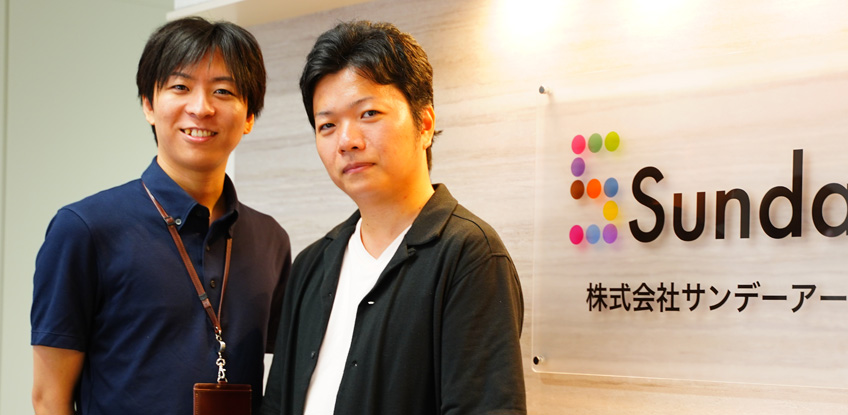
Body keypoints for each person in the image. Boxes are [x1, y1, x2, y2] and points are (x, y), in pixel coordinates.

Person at [261, 21, 526, 415]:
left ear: (425, 123)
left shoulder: (470, 256)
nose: (347, 141)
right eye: (327, 125)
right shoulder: (311, 265)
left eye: (368, 113)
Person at [30, 16, 291, 415]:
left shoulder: (270, 239)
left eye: (223, 91)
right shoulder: (84, 229)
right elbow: (49, 398)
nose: (201, 108)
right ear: (149, 105)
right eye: (180, 87)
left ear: (249, 117)